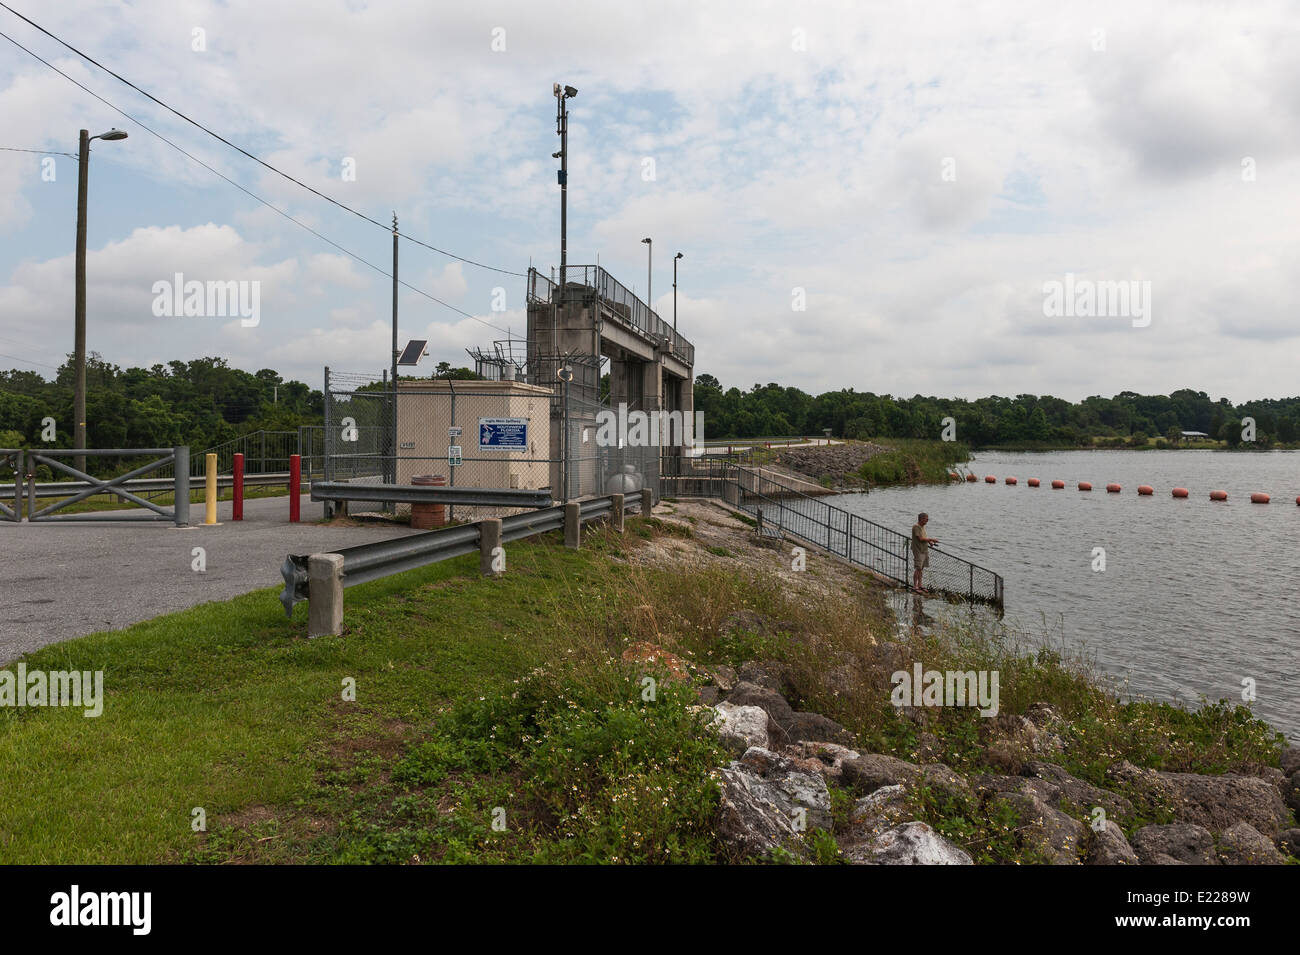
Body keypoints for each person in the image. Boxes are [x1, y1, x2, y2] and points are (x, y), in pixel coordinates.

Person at [911, 512, 939, 593]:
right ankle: (915, 586)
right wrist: (932, 539)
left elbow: (924, 537)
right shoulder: (916, 527)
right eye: (926, 519)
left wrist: (929, 542)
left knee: (921, 569)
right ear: (921, 519)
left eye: (927, 519)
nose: (927, 520)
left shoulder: (922, 527)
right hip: (918, 550)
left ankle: (920, 585)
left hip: (924, 550)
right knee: (918, 568)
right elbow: (920, 538)